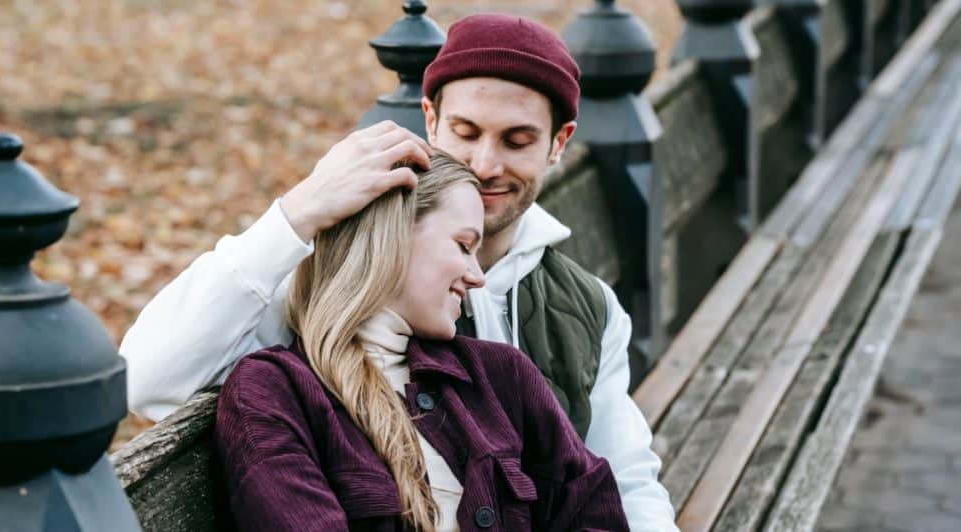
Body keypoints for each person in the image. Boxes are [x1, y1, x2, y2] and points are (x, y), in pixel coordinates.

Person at [121, 13, 677, 531]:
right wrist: (298, 213)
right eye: (466, 131)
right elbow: (146, 378)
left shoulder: (581, 309)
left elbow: (624, 479)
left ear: (558, 143)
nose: (485, 165)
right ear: (430, 119)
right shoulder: (313, 289)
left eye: (517, 140)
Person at [215, 153, 628, 531]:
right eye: (464, 245)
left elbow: (593, 511)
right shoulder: (274, 393)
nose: (476, 275)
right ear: (394, 234)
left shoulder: (502, 375)